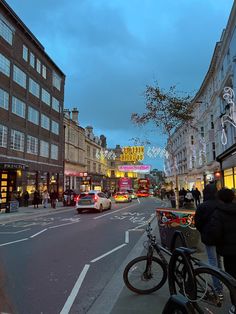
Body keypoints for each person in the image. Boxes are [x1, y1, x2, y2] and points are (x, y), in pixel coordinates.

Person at [195, 184, 223, 298]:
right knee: (219, 260)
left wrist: (203, 231)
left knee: (213, 261)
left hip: (208, 236)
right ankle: (221, 282)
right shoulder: (220, 204)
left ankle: (218, 288)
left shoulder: (202, 206)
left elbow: (198, 223)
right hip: (221, 236)